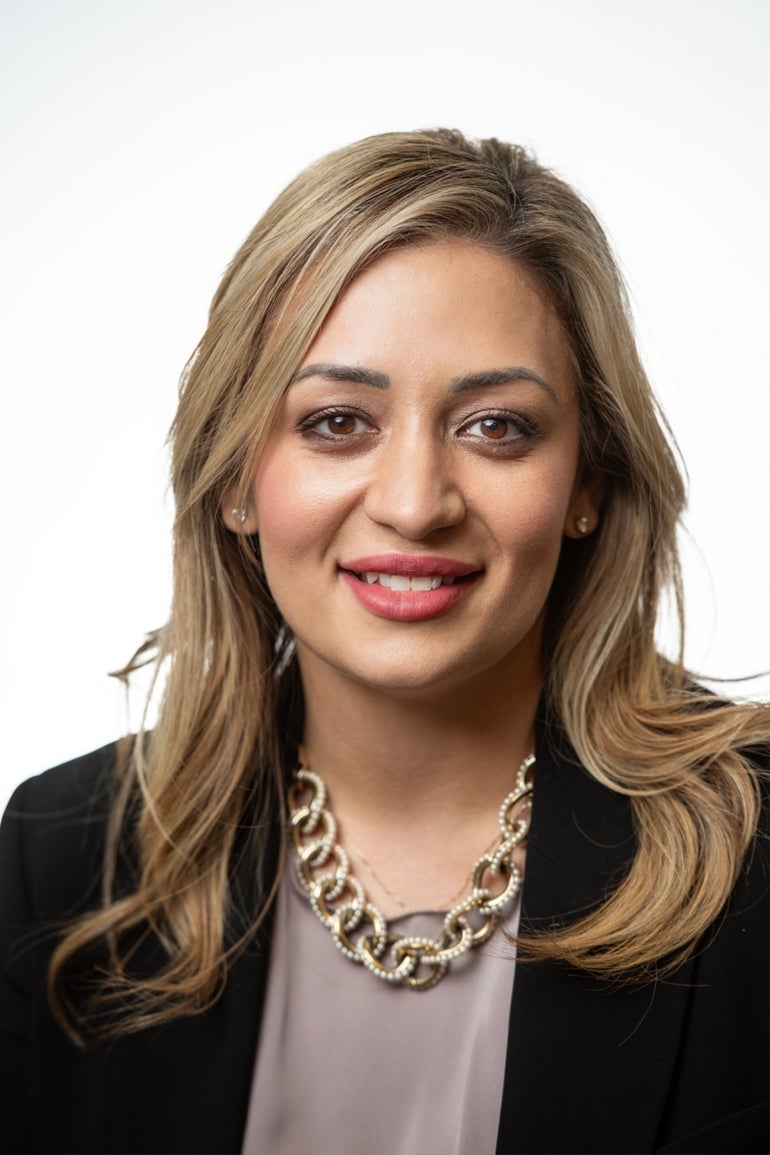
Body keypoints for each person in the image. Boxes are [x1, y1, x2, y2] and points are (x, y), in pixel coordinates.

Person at [1, 129, 767, 1155]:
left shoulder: (754, 848)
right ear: (235, 478)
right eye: (335, 422)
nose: (413, 505)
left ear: (586, 481)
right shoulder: (60, 860)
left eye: (495, 426)